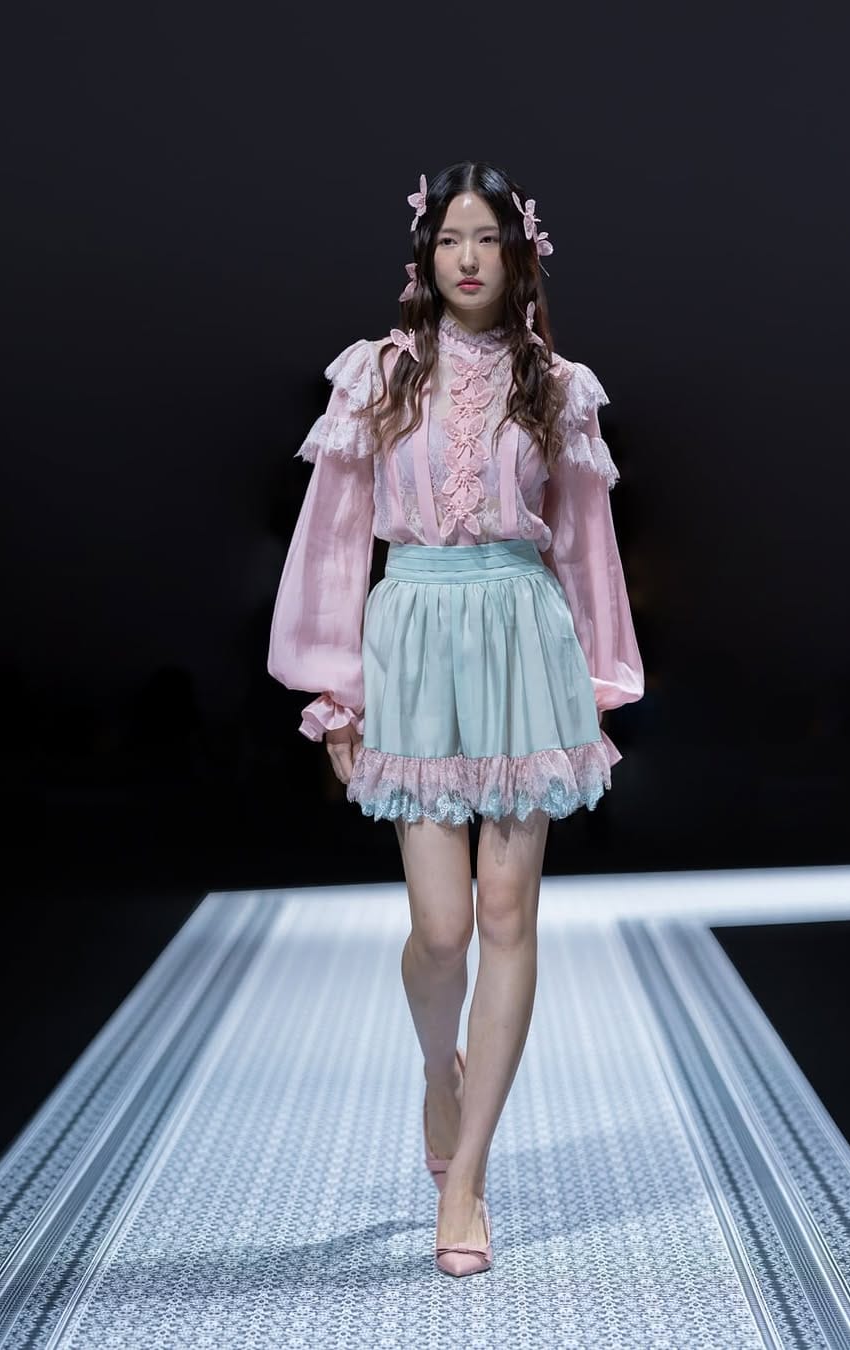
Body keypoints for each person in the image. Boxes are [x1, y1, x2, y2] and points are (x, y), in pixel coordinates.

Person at [267, 161, 644, 1276]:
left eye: (486, 238)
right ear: (424, 256)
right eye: (449, 239)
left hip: (526, 641)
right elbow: (335, 540)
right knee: (441, 932)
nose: (468, 258)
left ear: (519, 254)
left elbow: (587, 549)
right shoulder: (378, 375)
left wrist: (600, 686)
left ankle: (468, 1177)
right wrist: (335, 688)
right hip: (417, 639)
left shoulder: (556, 385)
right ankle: (441, 1073)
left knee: (506, 913)